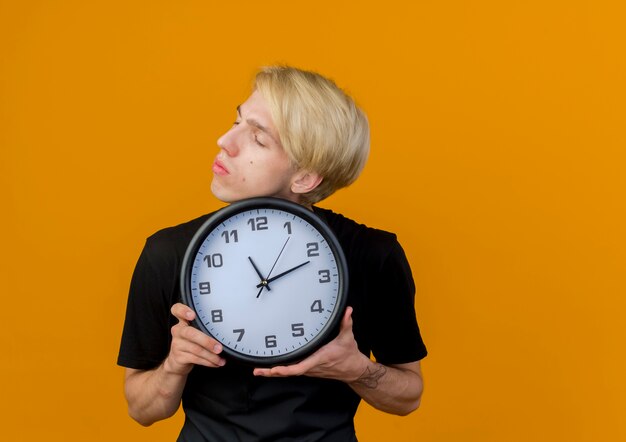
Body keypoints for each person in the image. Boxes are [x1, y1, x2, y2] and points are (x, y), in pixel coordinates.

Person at [118, 65, 428, 441]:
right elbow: (141, 409)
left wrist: (357, 369)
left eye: (257, 138)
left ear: (305, 177)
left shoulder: (374, 255)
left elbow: (408, 396)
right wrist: (174, 366)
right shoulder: (168, 252)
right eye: (236, 121)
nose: (223, 141)